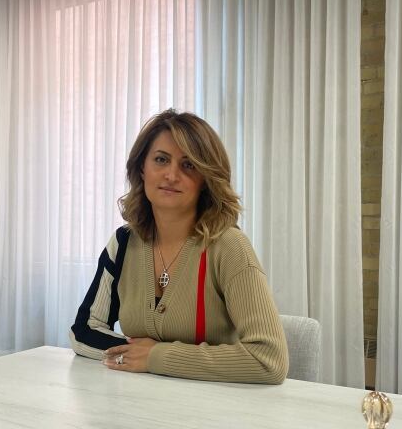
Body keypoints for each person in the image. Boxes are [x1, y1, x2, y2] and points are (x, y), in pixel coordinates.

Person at [70, 109, 288, 384]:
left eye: (189, 165)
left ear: (206, 179)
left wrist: (156, 357)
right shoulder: (123, 243)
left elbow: (268, 360)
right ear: (142, 168)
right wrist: (136, 355)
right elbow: (83, 331)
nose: (171, 175)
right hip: (136, 405)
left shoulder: (229, 247)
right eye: (161, 160)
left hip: (214, 415)